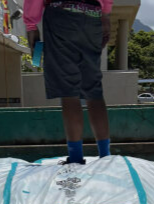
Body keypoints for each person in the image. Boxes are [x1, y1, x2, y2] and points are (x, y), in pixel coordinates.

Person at [24, 0, 113, 164]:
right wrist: (105, 15)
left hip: (61, 15)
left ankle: (76, 157)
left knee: (68, 92)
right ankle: (105, 156)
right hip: (93, 14)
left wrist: (31, 25)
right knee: (94, 90)